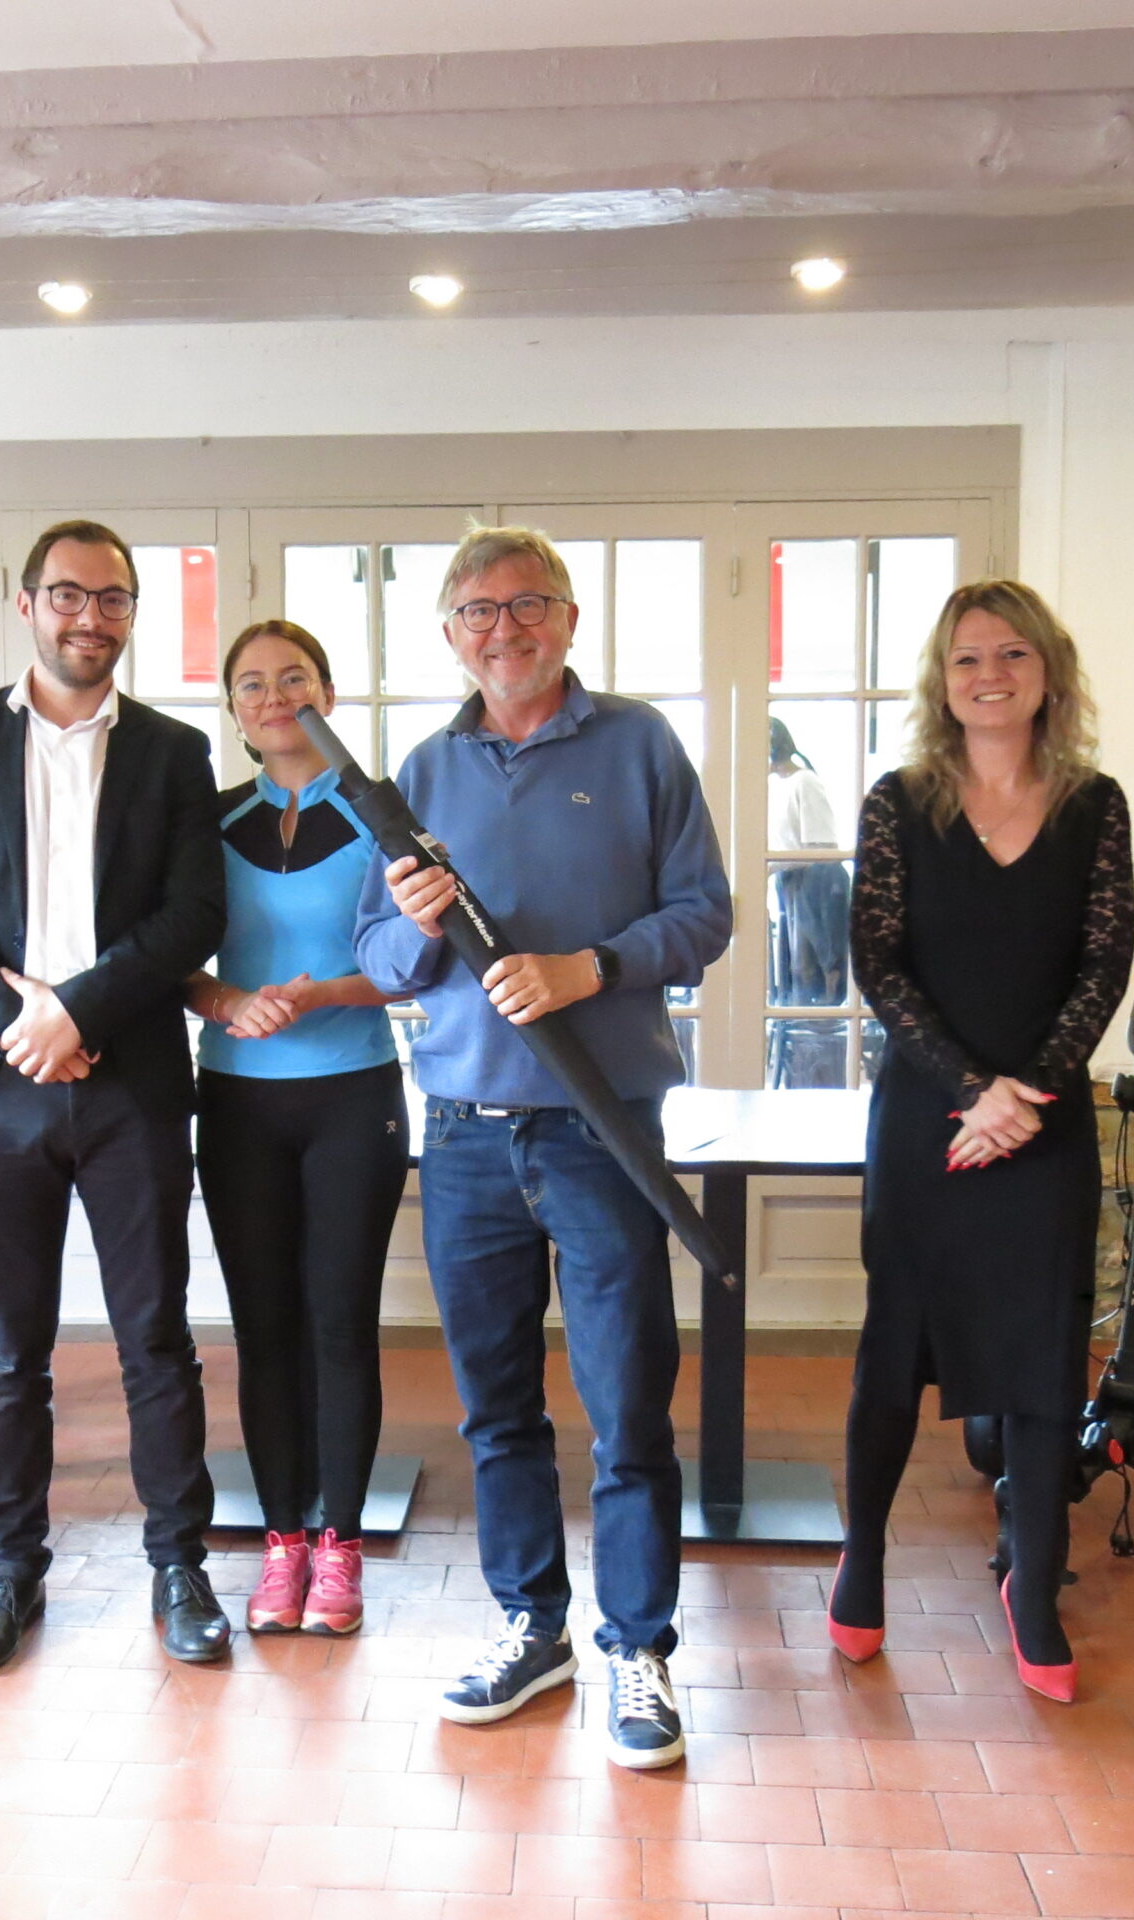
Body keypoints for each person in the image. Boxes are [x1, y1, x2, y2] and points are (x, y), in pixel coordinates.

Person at [357, 524, 731, 1770]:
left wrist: (591, 967)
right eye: (477, 611)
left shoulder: (638, 745)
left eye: (526, 606)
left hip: (602, 1127)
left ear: (568, 619)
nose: (502, 629)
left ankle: (638, 1646)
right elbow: (379, 959)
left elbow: (705, 915)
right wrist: (417, 926)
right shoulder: (422, 769)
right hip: (464, 1135)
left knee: (626, 1404)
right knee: (496, 1408)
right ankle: (532, 1625)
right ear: (449, 633)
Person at [0, 519, 230, 1673]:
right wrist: (21, 1020)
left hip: (130, 1078)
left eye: (114, 598)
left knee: (155, 1339)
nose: (92, 616)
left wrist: (77, 1012)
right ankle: (11, 1570)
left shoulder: (175, 752)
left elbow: (193, 917)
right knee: (9, 1352)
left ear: (132, 611)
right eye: (70, 595)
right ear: (27, 603)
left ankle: (179, 1566)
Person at [832, 578, 1134, 1705]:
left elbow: (1104, 963)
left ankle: (1035, 1587)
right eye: (967, 658)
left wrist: (1027, 1096)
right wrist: (972, 1090)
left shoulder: (1095, 805)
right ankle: (861, 1563)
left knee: (1045, 1359)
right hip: (928, 1119)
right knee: (891, 1354)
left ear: (1047, 673)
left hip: (1044, 1128)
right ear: (941, 681)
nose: (989, 675)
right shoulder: (897, 803)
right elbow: (878, 962)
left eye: (1011, 655)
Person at [184, 621, 410, 1637]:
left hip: (353, 1095)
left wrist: (320, 994)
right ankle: (282, 1541)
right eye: (251, 683)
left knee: (339, 1322)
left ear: (328, 691)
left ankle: (341, 1545)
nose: (274, 697)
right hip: (237, 1101)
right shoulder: (207, 820)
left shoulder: (381, 815)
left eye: (294, 678)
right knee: (263, 1327)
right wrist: (227, 1001)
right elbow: (170, 957)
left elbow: (418, 964)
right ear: (233, 706)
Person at [768, 716, 848, 1010]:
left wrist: (771, 866)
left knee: (811, 976)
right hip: (790, 881)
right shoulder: (776, 787)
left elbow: (823, 848)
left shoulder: (805, 781)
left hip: (816, 885)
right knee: (794, 978)